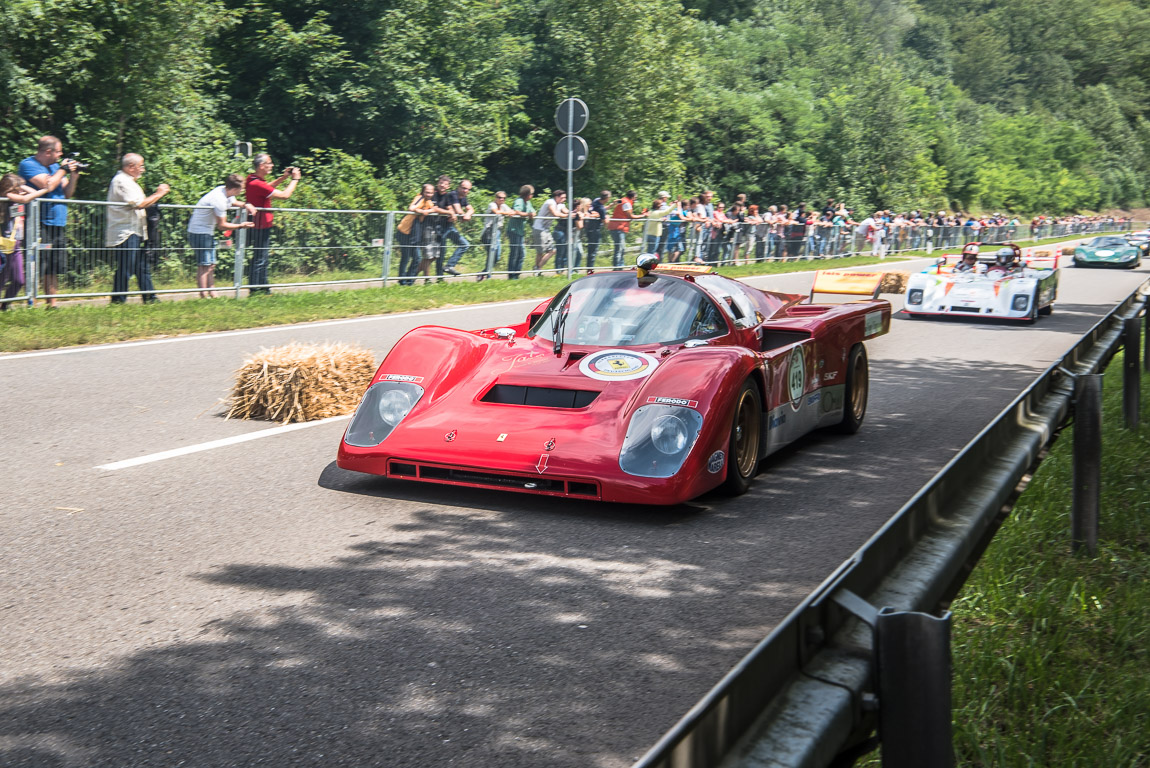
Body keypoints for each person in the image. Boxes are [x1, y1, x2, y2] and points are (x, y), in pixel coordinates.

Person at [19, 136, 80, 308]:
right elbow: (48, 185)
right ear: (48, 151)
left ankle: (51, 305)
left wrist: (74, 176)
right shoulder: (28, 164)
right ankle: (32, 303)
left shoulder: (55, 167)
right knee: (37, 262)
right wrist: (63, 170)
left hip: (58, 222)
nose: (61, 155)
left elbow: (67, 193)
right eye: (59, 151)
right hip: (38, 221)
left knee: (53, 265)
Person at [106, 154, 170, 304]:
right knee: (126, 268)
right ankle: (118, 300)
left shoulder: (130, 181)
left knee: (142, 267)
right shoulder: (122, 181)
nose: (143, 169)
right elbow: (139, 204)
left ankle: (150, 298)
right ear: (130, 167)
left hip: (135, 230)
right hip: (126, 232)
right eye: (141, 166)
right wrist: (159, 194)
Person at [187, 174, 256, 298]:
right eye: (242, 189)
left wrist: (246, 204)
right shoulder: (219, 199)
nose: (243, 191)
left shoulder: (224, 191)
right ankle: (203, 295)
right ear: (235, 189)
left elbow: (234, 202)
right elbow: (222, 225)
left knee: (211, 264)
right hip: (200, 232)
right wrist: (241, 226)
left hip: (206, 232)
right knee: (204, 265)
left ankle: (213, 293)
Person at [244, 153, 300, 295]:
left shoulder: (252, 179)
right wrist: (295, 180)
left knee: (261, 257)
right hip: (260, 225)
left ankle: (263, 289)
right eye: (269, 163)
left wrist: (283, 177)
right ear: (262, 166)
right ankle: (256, 290)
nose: (272, 165)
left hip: (258, 224)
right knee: (260, 258)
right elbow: (284, 195)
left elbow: (267, 188)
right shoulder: (256, 183)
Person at [1, 174, 50, 310]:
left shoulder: (16, 197)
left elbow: (33, 194)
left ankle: (4, 305)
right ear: (10, 188)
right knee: (2, 279)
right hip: (3, 246)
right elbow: (25, 198)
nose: (21, 191)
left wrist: (21, 185)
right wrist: (46, 189)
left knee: (19, 280)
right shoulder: (8, 197)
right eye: (18, 188)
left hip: (15, 245)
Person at [479, 190, 514, 280]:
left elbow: (512, 211)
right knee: (491, 253)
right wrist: (507, 213)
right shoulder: (492, 204)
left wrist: (511, 212)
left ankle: (484, 272)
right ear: (495, 198)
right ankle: (488, 276)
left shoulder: (503, 206)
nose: (501, 199)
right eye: (499, 197)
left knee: (496, 256)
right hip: (488, 232)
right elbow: (496, 212)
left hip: (497, 232)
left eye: (504, 198)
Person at [442, 178, 474, 276]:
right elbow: (458, 210)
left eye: (468, 189)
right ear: (458, 187)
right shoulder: (453, 194)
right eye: (463, 188)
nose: (465, 191)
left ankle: (449, 266)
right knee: (440, 253)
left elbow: (471, 209)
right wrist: (464, 214)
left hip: (449, 226)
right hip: (440, 226)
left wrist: (468, 214)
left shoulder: (463, 197)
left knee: (464, 244)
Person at [534, 189, 566, 273]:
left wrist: (575, 213)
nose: (564, 199)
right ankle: (538, 269)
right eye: (562, 198)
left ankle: (538, 268)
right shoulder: (550, 202)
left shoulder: (560, 205)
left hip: (546, 230)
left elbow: (567, 211)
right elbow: (555, 213)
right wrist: (568, 215)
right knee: (540, 252)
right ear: (556, 197)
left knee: (553, 250)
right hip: (539, 229)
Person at [507, 185, 535, 279]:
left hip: (520, 231)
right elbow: (517, 211)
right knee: (514, 253)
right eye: (531, 193)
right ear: (526, 194)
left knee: (521, 254)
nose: (532, 195)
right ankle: (511, 275)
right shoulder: (519, 201)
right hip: (514, 230)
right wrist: (528, 214)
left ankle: (517, 274)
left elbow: (533, 212)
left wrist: (532, 214)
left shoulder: (528, 203)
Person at [607, 190, 641, 268]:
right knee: (619, 249)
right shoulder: (627, 204)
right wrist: (642, 215)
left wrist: (611, 204)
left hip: (616, 227)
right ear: (632, 197)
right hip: (618, 227)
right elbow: (630, 216)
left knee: (620, 249)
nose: (635, 199)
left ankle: (620, 266)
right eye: (635, 198)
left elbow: (616, 201)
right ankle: (617, 267)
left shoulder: (622, 200)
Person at [585, 190, 609, 270]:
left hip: (589, 228)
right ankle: (590, 269)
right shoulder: (601, 209)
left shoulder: (595, 201)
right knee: (593, 251)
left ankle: (589, 267)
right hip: (595, 230)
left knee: (590, 250)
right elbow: (605, 222)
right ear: (607, 198)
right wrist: (607, 218)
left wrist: (611, 205)